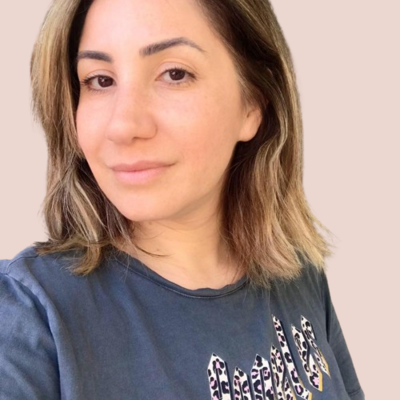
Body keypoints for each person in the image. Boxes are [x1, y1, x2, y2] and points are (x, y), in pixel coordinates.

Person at [0, 0, 364, 399]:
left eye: (174, 74)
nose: (124, 126)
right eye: (100, 80)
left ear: (253, 103)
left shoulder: (300, 276)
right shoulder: (28, 314)